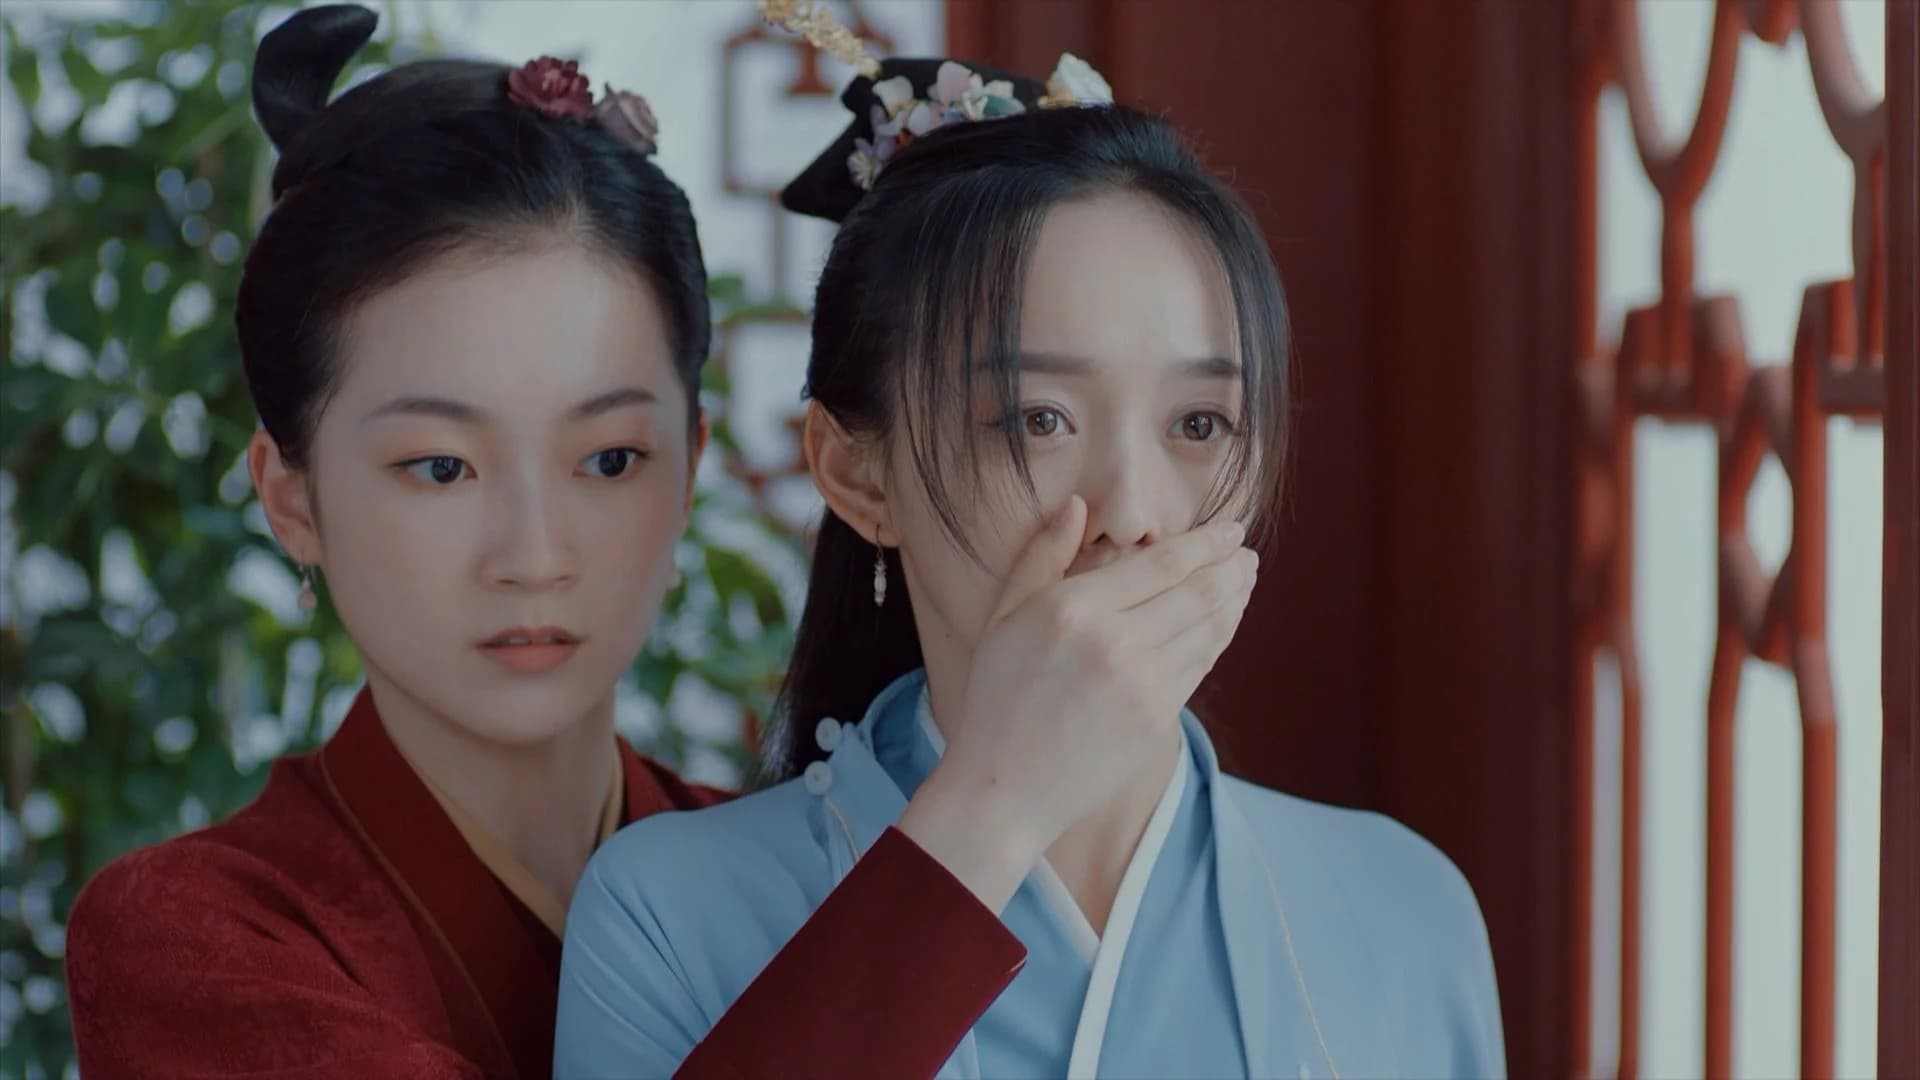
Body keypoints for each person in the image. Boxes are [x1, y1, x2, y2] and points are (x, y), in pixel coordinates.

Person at [62, 7, 1249, 1078]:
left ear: (691, 462)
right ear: (291, 497)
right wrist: (995, 798)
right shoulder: (191, 935)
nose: (534, 554)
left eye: (610, 459)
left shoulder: (783, 872)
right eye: (441, 466)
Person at [555, 13, 1507, 1080]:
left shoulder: (1402, 908)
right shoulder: (665, 910)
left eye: (1200, 424)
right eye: (1037, 420)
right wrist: (996, 805)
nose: (1134, 513)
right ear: (857, 473)